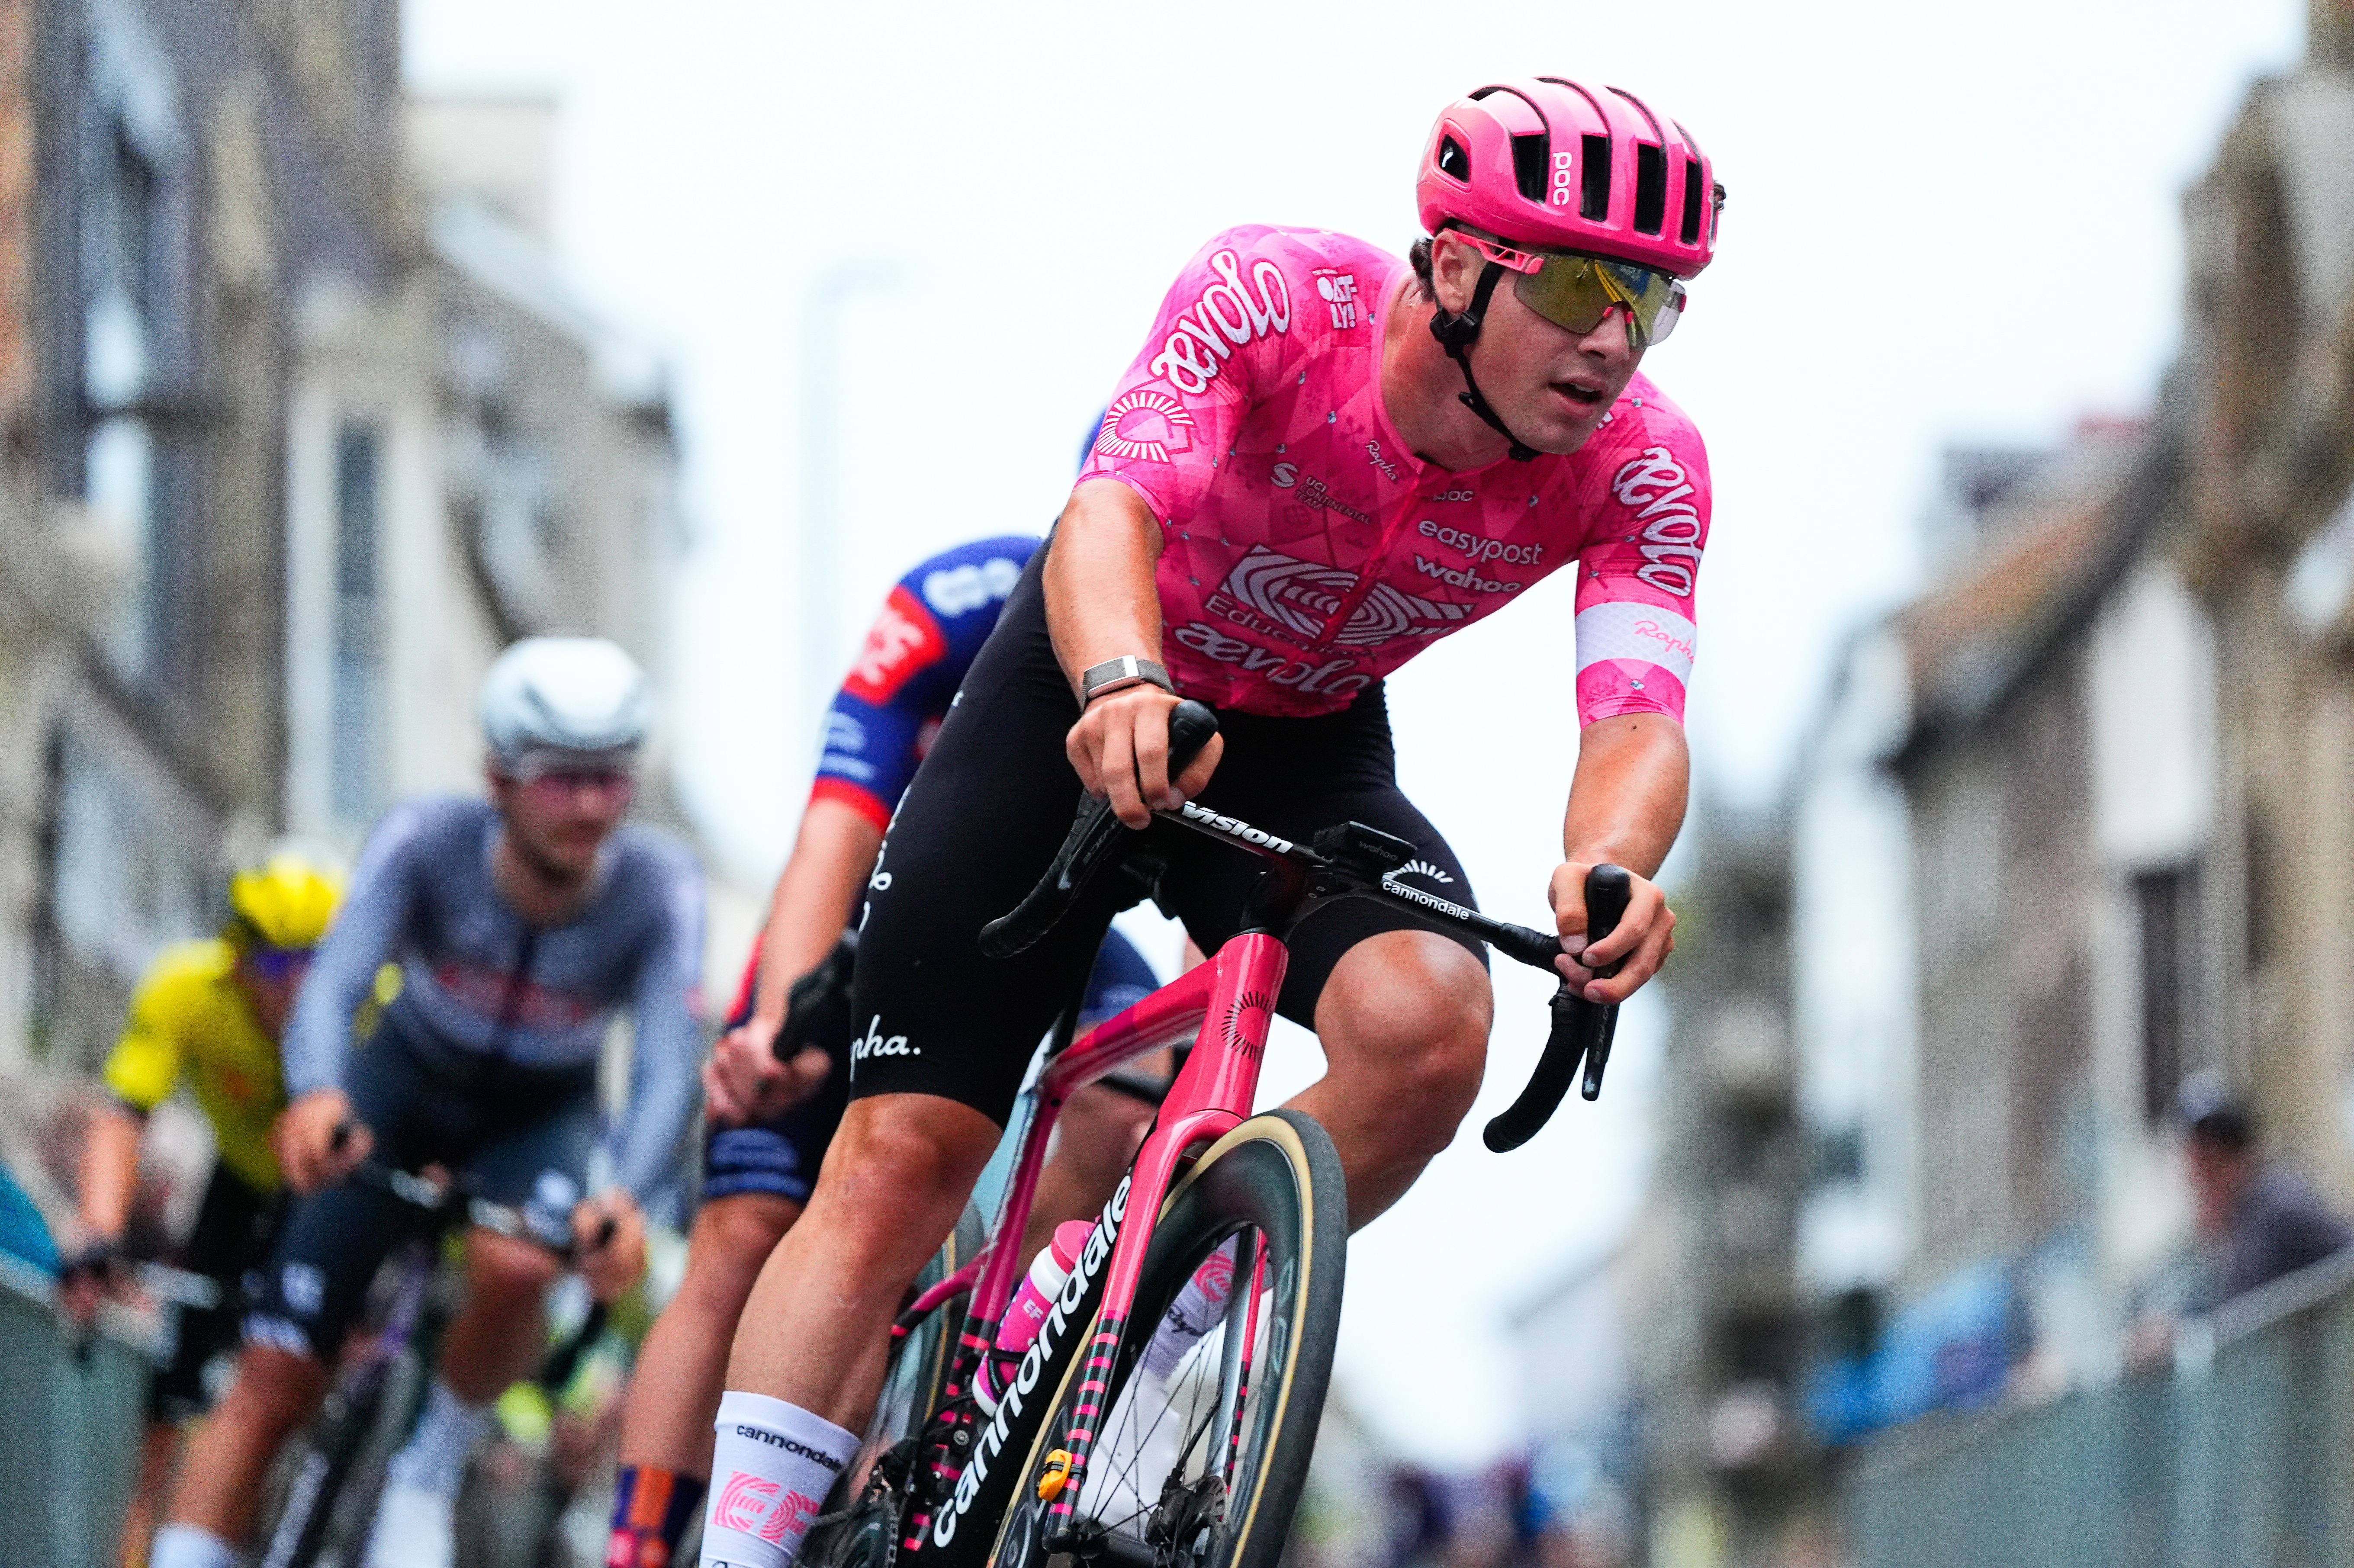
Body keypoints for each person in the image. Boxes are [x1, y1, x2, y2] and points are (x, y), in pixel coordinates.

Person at [698, 74, 1720, 1568]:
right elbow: (1109, 510)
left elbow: (1636, 710)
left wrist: (1612, 863)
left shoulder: (1645, 463)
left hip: (1303, 739)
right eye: (1576, 285)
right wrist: (1120, 678)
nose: (1615, 340)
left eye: (1653, 302)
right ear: (1454, 266)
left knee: (1433, 1023)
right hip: (1092, 674)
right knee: (902, 1155)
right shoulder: (1274, 297)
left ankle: (1137, 1324)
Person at [606, 537, 1171, 1568]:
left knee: (1131, 1101)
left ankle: (985, 1389)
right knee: (741, 1234)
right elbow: (834, 827)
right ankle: (638, 1546)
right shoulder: (959, 598)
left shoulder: (1232, 622)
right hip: (884, 914)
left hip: (1071, 922)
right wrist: (773, 1022)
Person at [148, 636, 705, 1568]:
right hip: (402, 1081)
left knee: (524, 1264)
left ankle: (430, 1465)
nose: (589, 806)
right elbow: (334, 985)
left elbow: (666, 1063)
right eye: (561, 779)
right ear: (498, 778)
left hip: (542, 1111)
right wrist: (318, 1095)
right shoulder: (424, 837)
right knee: (273, 1374)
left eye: (610, 779)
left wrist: (625, 1197)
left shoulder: (661, 887)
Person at [55, 850, 344, 1568]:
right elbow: (124, 1114)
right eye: (277, 963)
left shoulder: (371, 1004)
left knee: (291, 1378)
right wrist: (97, 1231)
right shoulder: (186, 989)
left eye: (315, 961)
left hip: (330, 1196)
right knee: (171, 1395)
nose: (298, 985)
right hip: (239, 1181)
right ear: (239, 960)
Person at [2177, 1071, 2352, 1313]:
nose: (2196, 1182)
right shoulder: (2249, 1212)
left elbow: (2242, 1315)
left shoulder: (2275, 1210)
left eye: (2206, 1170)